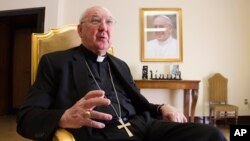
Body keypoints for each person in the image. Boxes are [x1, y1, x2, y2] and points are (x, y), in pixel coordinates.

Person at [16, 6, 226, 141]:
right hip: (100, 133)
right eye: (96, 21)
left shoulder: (120, 65)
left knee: (211, 134)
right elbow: (26, 118)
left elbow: (141, 104)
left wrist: (163, 106)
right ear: (80, 30)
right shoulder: (55, 62)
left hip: (143, 125)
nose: (104, 28)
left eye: (109, 22)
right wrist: (64, 117)